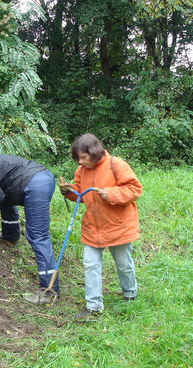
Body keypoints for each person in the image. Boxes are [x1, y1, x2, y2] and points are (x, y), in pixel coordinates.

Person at [59, 134, 142, 320]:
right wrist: (69, 191)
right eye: (78, 159)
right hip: (92, 226)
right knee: (90, 265)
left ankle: (130, 293)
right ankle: (94, 306)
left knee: (123, 264)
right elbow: (80, 193)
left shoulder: (116, 164)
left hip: (117, 226)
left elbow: (135, 189)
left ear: (94, 153)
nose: (80, 162)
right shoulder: (82, 169)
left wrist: (111, 193)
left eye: (83, 158)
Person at [0, 153, 59, 304]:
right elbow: (3, 195)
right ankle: (10, 236)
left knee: (38, 236)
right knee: (7, 200)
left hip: (34, 185)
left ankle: (49, 291)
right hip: (43, 177)